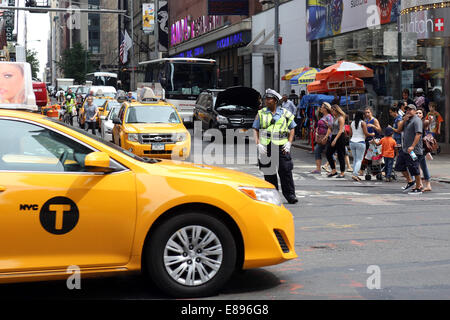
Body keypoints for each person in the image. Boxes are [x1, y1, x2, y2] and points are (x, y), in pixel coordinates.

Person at [253, 88, 298, 204]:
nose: (266, 101)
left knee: (285, 171)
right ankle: (273, 196)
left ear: (275, 100)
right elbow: (255, 129)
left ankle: (290, 195)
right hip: (266, 147)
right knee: (269, 173)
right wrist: (258, 144)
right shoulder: (261, 113)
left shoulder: (285, 113)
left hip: (282, 146)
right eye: (266, 99)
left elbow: (292, 128)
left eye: (269, 99)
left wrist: (289, 143)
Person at [394, 104, 424, 194]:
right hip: (405, 149)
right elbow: (399, 130)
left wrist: (412, 146)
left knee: (414, 168)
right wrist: (403, 120)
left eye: (411, 109)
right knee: (399, 165)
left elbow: (418, 134)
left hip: (414, 151)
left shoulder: (417, 120)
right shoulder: (407, 120)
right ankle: (410, 181)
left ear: (414, 111)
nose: (408, 111)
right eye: (407, 109)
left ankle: (418, 187)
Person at [349, 110, 372, 181]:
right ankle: (355, 174)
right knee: (359, 160)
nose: (365, 116)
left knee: (355, 159)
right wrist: (372, 134)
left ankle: (354, 173)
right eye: (364, 115)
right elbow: (366, 133)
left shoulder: (352, 123)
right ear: (362, 116)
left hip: (352, 142)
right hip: (360, 142)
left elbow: (350, 134)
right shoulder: (363, 123)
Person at [311, 102, 333, 174]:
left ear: (326, 109)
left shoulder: (329, 116)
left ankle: (333, 169)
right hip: (320, 137)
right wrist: (317, 131)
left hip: (327, 138)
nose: (321, 108)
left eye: (322, 107)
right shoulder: (322, 116)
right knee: (317, 151)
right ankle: (318, 169)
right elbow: (319, 126)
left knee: (329, 153)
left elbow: (330, 128)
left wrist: (326, 136)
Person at [325, 104, 347, 178]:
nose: (332, 112)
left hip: (339, 137)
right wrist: (329, 126)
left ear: (336, 110)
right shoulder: (335, 118)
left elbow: (341, 130)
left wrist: (335, 139)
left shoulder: (340, 118)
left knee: (340, 154)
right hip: (334, 135)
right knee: (328, 153)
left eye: (332, 111)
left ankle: (342, 172)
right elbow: (333, 129)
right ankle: (333, 170)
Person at [416, 107, 432, 192]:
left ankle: (422, 184)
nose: (418, 114)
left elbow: (427, 123)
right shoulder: (415, 122)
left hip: (421, 148)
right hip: (416, 148)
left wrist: (430, 121)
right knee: (421, 165)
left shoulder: (423, 122)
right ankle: (422, 184)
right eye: (417, 113)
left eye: (420, 113)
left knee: (418, 165)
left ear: (422, 115)